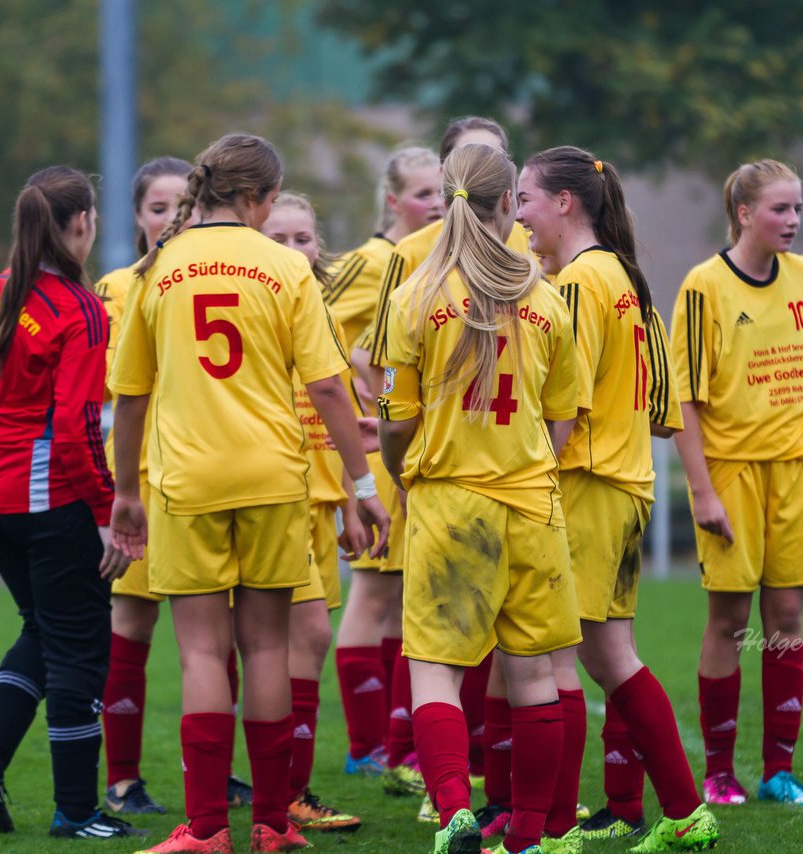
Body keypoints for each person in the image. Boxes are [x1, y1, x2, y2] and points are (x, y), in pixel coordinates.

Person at [108, 133, 388, 854]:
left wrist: (127, 491)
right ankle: (270, 825)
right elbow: (328, 387)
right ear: (262, 198)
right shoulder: (285, 266)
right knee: (267, 649)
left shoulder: (157, 266)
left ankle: (205, 830)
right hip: (272, 478)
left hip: (187, 483)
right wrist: (362, 485)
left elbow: (132, 396)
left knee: (202, 655)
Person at [377, 142, 581, 854]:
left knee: (434, 669)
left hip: (448, 502)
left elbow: (395, 422)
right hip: (530, 503)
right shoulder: (545, 295)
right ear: (506, 206)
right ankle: (527, 836)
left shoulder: (415, 295)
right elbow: (563, 414)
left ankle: (457, 813)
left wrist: (405, 475)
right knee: (533, 675)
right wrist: (531, 468)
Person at [516, 146, 718, 853]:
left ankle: (560, 828)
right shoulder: (620, 275)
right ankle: (682, 812)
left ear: (565, 202)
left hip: (588, 482)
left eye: (525, 198)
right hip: (624, 480)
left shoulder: (576, 283)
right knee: (606, 657)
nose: (518, 214)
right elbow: (660, 404)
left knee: (565, 657)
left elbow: (557, 399)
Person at [0, 165, 141, 840]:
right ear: (82, 223)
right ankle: (77, 810)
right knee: (80, 652)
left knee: (41, 628)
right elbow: (75, 425)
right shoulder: (81, 308)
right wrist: (107, 511)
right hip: (47, 494)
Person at [670, 159, 803, 808]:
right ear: (744, 214)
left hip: (797, 466)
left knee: (787, 618)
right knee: (728, 620)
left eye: (798, 208)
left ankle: (780, 769)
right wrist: (702, 491)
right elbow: (684, 399)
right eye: (780, 209)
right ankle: (719, 772)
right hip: (731, 473)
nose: (794, 221)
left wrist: (797, 353)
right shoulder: (703, 287)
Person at [368, 118, 526, 806]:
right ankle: (459, 787)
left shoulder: (530, 259)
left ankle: (476, 793)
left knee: (485, 649)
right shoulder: (414, 259)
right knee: (448, 641)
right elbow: (379, 365)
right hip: (489, 481)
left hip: (468, 480)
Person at [95, 155, 254, 817]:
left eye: (179, 207)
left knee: (220, 631)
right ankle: (124, 778)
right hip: (141, 473)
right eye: (157, 209)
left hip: (205, 468)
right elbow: (114, 386)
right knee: (132, 621)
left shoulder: (217, 273)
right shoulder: (120, 286)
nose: (170, 219)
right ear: (137, 217)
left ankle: (213, 777)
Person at [259, 190, 369, 833]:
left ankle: (288, 790)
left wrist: (350, 503)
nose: (295, 250)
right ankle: (282, 794)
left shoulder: (317, 307)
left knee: (301, 643)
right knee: (296, 640)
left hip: (319, 502)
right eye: (280, 239)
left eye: (304, 239)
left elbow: (327, 419)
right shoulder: (263, 309)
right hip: (276, 496)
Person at [334, 146, 443, 779]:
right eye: (422, 193)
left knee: (406, 593)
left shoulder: (441, 254)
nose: (433, 204)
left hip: (418, 439)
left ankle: (394, 742)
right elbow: (321, 330)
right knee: (374, 588)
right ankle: (364, 745)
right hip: (376, 441)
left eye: (440, 193)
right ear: (392, 199)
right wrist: (362, 386)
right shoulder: (371, 261)